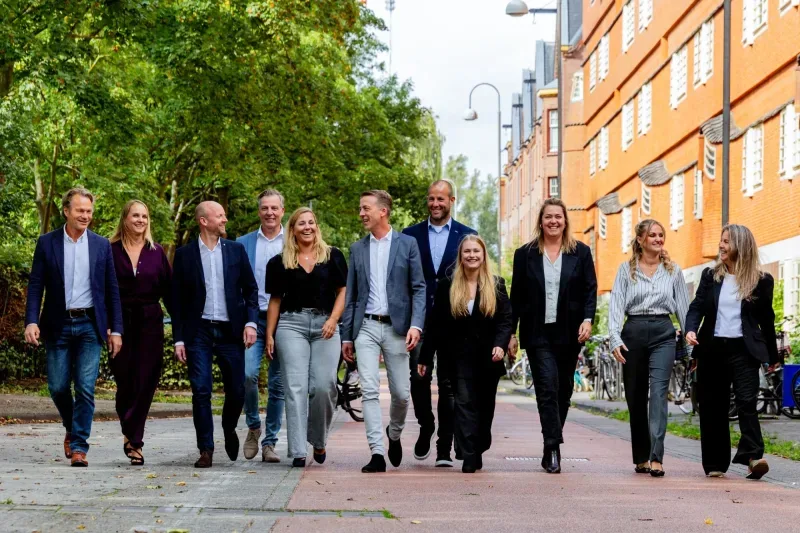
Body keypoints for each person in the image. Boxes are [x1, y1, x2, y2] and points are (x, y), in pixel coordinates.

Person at [24, 187, 124, 467]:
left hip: (90, 325)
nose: (85, 216)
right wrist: (31, 320)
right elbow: (35, 285)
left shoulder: (101, 245)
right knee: (57, 387)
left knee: (85, 388)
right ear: (66, 211)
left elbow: (111, 289)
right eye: (80, 210)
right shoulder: (47, 243)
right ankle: (71, 426)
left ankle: (79, 445)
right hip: (57, 324)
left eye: (89, 211)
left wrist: (116, 329)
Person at [509, 198, 597, 474]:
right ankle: (553, 445)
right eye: (548, 217)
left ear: (565, 221)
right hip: (537, 332)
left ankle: (550, 441)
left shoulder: (580, 252)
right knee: (546, 386)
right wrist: (511, 333)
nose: (553, 222)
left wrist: (587, 319)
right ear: (541, 221)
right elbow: (517, 297)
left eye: (558, 217)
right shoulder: (525, 254)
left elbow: (589, 290)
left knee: (563, 391)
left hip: (569, 333)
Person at [341, 190, 426, 473]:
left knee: (402, 393)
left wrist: (416, 325)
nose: (361, 213)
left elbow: (418, 288)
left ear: (383, 211)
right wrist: (347, 336)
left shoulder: (407, 244)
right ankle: (377, 452)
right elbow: (351, 296)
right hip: (365, 326)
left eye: (366, 208)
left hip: (398, 328)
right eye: (360, 208)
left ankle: (394, 434)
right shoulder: (357, 249)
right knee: (369, 389)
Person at [685, 224, 778, 480]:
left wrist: (772, 357)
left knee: (747, 401)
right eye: (721, 240)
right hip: (712, 348)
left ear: (741, 245)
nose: (721, 245)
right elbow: (696, 308)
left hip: (743, 350)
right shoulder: (710, 276)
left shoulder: (760, 281)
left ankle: (753, 457)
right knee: (713, 405)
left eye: (726, 241)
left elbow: (766, 320)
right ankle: (715, 462)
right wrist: (690, 329)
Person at [171, 201, 259, 468]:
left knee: (237, 390)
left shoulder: (236, 250)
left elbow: (250, 291)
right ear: (203, 221)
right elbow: (177, 301)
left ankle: (229, 426)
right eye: (219, 215)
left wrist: (250, 324)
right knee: (201, 390)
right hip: (198, 332)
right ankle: (206, 449)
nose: (225, 219)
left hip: (230, 331)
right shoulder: (185, 255)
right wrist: (179, 338)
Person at [418, 235, 512, 473]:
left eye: (476, 251)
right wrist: (425, 357)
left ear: (483, 256)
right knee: (464, 403)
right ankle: (469, 453)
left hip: (489, 358)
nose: (472, 255)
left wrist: (501, 344)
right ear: (461, 256)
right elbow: (435, 324)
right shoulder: (448, 285)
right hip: (456, 357)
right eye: (467, 251)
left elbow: (505, 320)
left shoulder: (496, 284)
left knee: (485, 407)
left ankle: (478, 446)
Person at [264, 207, 348, 467]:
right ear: (293, 229)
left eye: (311, 222)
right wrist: (269, 334)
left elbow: (344, 291)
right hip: (291, 326)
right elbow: (275, 301)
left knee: (324, 386)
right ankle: (299, 451)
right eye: (302, 223)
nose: (307, 227)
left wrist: (334, 319)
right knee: (295, 388)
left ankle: (319, 440)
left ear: (317, 226)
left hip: (326, 325)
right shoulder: (280, 262)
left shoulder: (333, 256)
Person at [402, 180, 476, 467]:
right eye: (431, 199)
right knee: (418, 378)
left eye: (441, 199)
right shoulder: (409, 236)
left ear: (452, 200)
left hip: (452, 323)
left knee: (449, 387)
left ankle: (445, 446)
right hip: (417, 322)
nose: (435, 204)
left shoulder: (467, 236)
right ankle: (426, 425)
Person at [608, 219, 690, 477]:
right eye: (652, 235)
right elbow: (616, 306)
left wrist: (689, 348)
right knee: (635, 396)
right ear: (641, 240)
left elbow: (684, 310)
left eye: (660, 235)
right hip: (632, 332)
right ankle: (641, 456)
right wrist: (614, 338)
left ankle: (656, 456)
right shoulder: (626, 270)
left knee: (658, 393)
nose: (657, 239)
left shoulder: (673, 271)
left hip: (663, 333)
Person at [109, 200, 173, 466]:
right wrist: (109, 326)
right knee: (124, 380)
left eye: (144, 216)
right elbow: (102, 290)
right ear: (125, 219)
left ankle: (135, 440)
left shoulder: (156, 252)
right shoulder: (109, 250)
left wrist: (181, 329)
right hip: (120, 321)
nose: (140, 220)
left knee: (146, 379)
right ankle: (128, 427)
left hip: (149, 321)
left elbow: (170, 292)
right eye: (135, 215)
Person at [236, 189, 286, 463]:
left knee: (278, 384)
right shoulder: (242, 243)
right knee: (248, 374)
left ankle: (270, 442)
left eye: (274, 208)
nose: (269, 212)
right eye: (265, 208)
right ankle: (254, 426)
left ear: (282, 211)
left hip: (284, 320)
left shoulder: (292, 241)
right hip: (252, 319)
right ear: (259, 212)